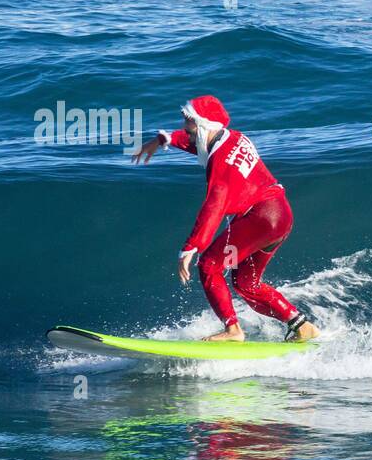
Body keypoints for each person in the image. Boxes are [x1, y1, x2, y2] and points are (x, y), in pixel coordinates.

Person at [131, 96, 318, 342]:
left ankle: (232, 330)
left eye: (189, 122)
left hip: (260, 217)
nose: (184, 126)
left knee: (209, 265)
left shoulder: (220, 165)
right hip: (280, 215)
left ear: (205, 125)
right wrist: (164, 139)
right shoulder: (232, 136)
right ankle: (302, 326)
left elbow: (214, 207)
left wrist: (190, 248)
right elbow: (196, 142)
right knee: (246, 284)